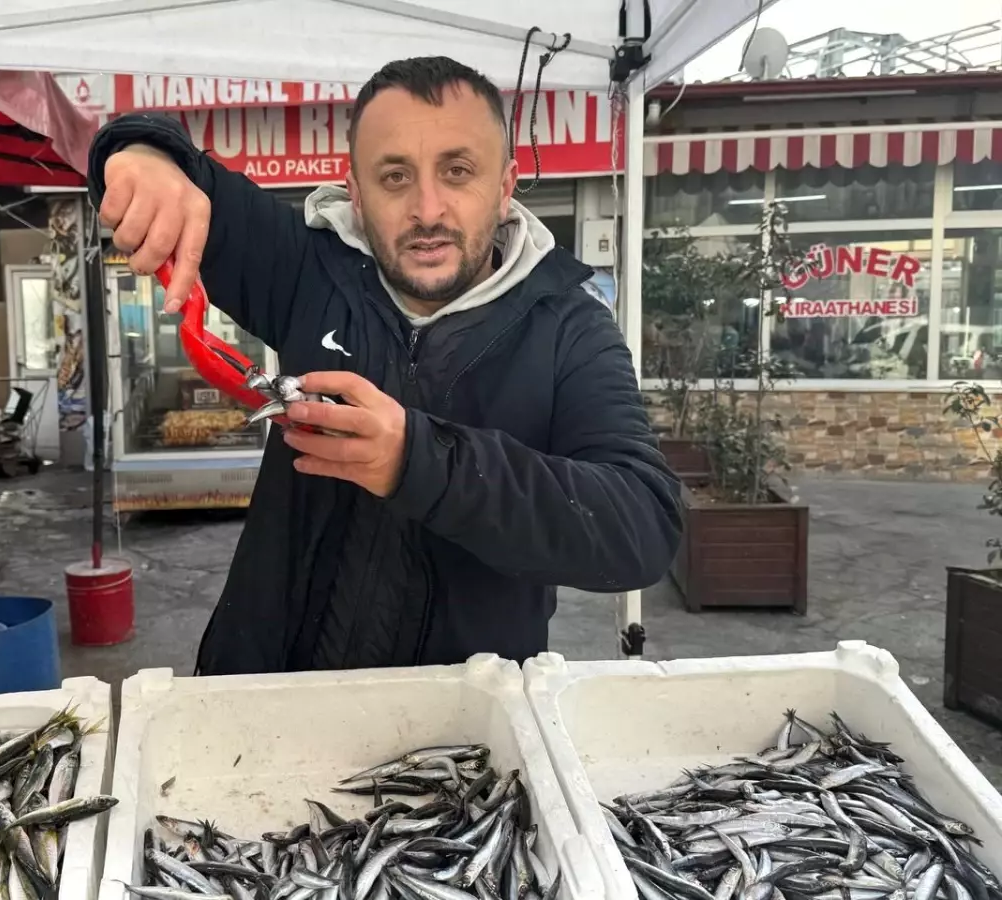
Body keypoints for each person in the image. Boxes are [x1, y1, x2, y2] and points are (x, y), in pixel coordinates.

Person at [88, 56, 682, 675]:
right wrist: (140, 153)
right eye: (394, 177)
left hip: (459, 740)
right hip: (257, 701)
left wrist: (418, 462)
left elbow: (642, 526)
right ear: (356, 191)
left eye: (458, 171)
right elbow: (169, 161)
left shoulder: (570, 328)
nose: (428, 209)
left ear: (505, 186)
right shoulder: (306, 271)